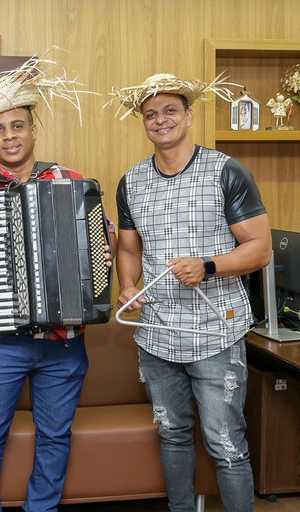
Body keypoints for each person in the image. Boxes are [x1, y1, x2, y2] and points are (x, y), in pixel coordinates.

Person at [0, 56, 114, 512]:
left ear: (33, 130)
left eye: (18, 126)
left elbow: (104, 246)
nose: (10, 136)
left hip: (65, 341)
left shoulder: (74, 183)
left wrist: (97, 264)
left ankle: (43, 508)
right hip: (2, 342)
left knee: (55, 437)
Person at [108, 73, 271, 512]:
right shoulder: (132, 181)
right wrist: (127, 285)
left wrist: (210, 265)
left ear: (189, 115)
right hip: (157, 335)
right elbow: (127, 246)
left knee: (224, 444)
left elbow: (260, 249)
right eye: (151, 114)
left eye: (170, 111)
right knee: (173, 435)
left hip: (216, 334)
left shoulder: (226, 171)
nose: (161, 121)